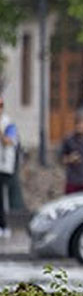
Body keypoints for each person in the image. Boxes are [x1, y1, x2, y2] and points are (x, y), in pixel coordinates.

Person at [0, 97, 17, 238]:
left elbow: (8, 141)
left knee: (1, 198)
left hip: (3, 166)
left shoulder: (8, 123)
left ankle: (4, 226)